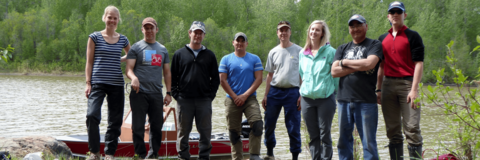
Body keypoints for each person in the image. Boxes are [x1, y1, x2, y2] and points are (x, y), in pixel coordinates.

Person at [331, 14, 383, 160]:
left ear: (366, 26)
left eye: (359, 25)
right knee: (343, 141)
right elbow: (334, 72)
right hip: (343, 101)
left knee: (369, 142)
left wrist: (344, 62)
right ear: (349, 29)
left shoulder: (374, 44)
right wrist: (360, 65)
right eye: (352, 26)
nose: (355, 29)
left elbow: (370, 64)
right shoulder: (342, 48)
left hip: (366, 101)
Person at [378, 2, 425, 159]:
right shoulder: (382, 39)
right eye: (392, 12)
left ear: (404, 15)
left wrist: (414, 89)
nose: (395, 14)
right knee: (392, 129)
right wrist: (378, 89)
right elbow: (381, 67)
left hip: (408, 84)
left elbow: (419, 63)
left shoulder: (413, 36)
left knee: (412, 128)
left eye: (399, 12)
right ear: (388, 16)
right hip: (388, 85)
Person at [84, 5, 130, 160]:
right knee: (92, 115)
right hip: (97, 82)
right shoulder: (94, 37)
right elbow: (89, 62)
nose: (112, 20)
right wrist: (88, 82)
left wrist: (120, 59)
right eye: (109, 17)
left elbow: (131, 56)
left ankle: (109, 154)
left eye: (115, 18)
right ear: (104, 18)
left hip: (116, 83)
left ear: (118, 20)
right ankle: (95, 152)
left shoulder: (123, 39)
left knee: (115, 120)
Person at [170, 21, 220, 160]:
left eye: (200, 33)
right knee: (183, 132)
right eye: (195, 32)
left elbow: (215, 78)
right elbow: (172, 76)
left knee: (205, 132)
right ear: (189, 33)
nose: (197, 35)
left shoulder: (209, 55)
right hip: (184, 100)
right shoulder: (179, 54)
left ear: (204, 35)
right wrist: (175, 94)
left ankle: (204, 157)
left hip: (204, 100)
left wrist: (210, 95)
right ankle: (183, 157)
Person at [125, 17, 172, 159]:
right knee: (138, 127)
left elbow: (167, 72)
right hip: (139, 93)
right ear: (142, 30)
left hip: (156, 94)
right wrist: (133, 78)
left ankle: (153, 155)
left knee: (156, 127)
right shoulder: (136, 48)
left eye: (151, 27)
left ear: (156, 29)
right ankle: (140, 155)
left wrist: (169, 93)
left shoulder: (163, 50)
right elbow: (128, 69)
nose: (149, 30)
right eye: (146, 28)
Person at [219, 32, 264, 160]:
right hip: (231, 99)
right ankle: (237, 158)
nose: (240, 43)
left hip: (249, 99)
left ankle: (254, 155)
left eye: (242, 41)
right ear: (233, 43)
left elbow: (259, 79)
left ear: (246, 43)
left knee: (257, 124)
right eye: (237, 41)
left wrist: (244, 96)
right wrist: (235, 96)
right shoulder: (226, 59)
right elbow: (223, 80)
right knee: (234, 133)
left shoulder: (254, 59)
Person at [262, 21, 302, 160]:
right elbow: (269, 75)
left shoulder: (299, 51)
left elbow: (303, 74)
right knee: (269, 123)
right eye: (281, 30)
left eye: (286, 30)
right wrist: (266, 95)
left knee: (293, 126)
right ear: (277, 33)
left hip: (293, 92)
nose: (283, 32)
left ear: (290, 32)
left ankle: (295, 156)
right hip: (274, 91)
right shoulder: (273, 52)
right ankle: (270, 153)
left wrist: (301, 94)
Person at [298, 20, 338, 160]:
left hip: (325, 99)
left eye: (317, 30)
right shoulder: (302, 53)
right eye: (312, 29)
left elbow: (335, 77)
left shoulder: (331, 52)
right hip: (307, 99)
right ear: (309, 32)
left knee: (324, 134)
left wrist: (335, 95)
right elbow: (302, 74)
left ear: (322, 33)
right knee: (313, 135)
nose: (314, 32)